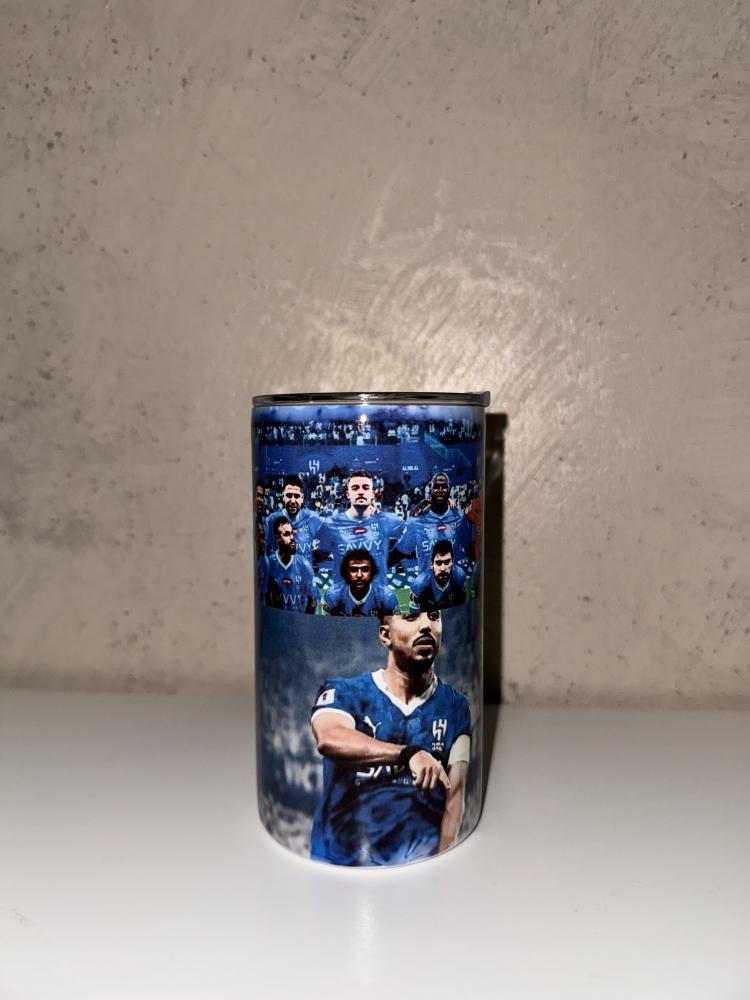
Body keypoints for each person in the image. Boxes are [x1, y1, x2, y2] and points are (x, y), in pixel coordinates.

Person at [310, 609, 471, 866]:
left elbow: (456, 795)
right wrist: (408, 754)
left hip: (418, 862)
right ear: (386, 635)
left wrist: (442, 862)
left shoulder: (456, 706)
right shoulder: (346, 692)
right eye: (411, 617)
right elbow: (329, 738)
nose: (426, 625)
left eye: (433, 616)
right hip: (342, 860)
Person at [316, 470, 406, 581]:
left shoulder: (389, 520)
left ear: (372, 494)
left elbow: (409, 541)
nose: (361, 492)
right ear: (348, 494)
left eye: (365, 488)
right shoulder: (332, 524)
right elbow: (319, 555)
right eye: (355, 488)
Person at [391, 472, 473, 578]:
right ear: (431, 489)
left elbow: (470, 548)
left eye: (443, 487)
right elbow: (399, 552)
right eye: (436, 487)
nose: (440, 490)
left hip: (452, 583)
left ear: (449, 490)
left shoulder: (459, 516)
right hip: (427, 584)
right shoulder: (416, 521)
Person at [259, 517, 318, 613]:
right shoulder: (268, 564)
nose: (292, 538)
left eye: (292, 533)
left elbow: (312, 601)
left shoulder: (304, 565)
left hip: (298, 621)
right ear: (277, 538)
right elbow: (263, 598)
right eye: (287, 534)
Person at [322, 549, 401, 617]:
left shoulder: (386, 597)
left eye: (365, 569)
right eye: (353, 570)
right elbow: (327, 626)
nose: (359, 575)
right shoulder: (333, 596)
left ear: (372, 572)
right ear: (346, 572)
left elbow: (395, 627)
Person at [265, 475, 324, 562]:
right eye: (289, 495)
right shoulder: (272, 520)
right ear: (283, 496)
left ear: (302, 498)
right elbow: (265, 553)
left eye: (296, 496)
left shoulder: (313, 518)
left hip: (306, 570)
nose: (293, 501)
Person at [409, 540, 467, 611]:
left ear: (452, 562)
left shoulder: (460, 576)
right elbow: (415, 612)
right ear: (431, 564)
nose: (443, 569)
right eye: (438, 563)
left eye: (447, 562)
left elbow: (462, 606)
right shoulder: (419, 584)